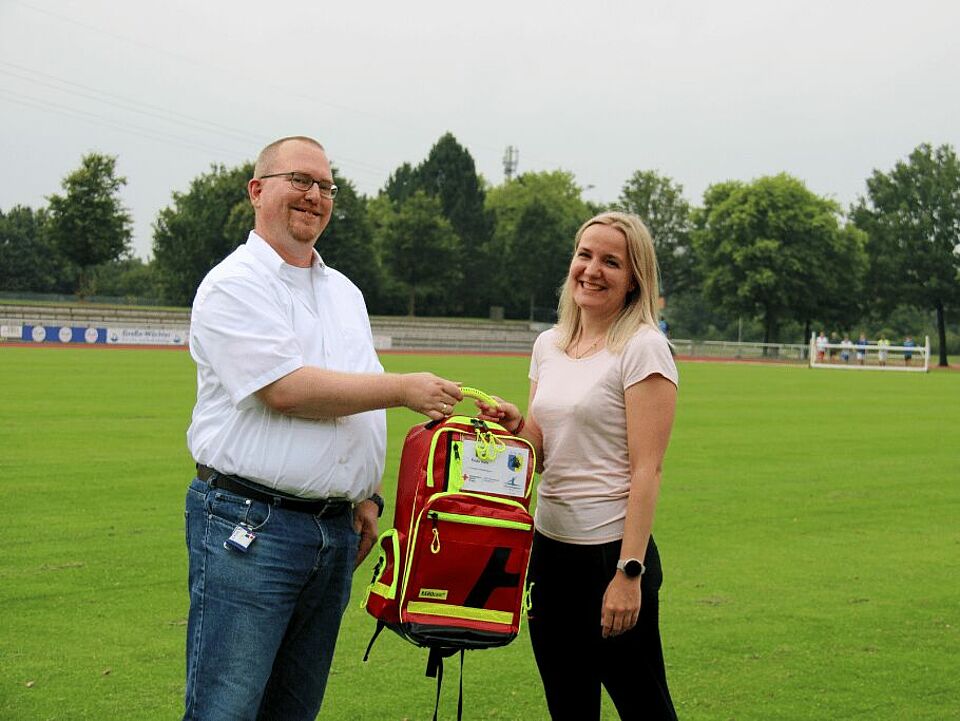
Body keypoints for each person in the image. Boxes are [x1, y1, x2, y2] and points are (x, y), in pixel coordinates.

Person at [183, 136, 462, 721]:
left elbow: (359, 396)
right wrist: (405, 388)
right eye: (300, 181)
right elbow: (285, 390)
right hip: (251, 525)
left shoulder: (344, 293)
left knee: (295, 709)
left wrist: (367, 495)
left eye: (326, 187)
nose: (315, 196)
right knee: (226, 708)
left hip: (333, 532)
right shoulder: (234, 283)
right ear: (258, 191)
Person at [478, 211, 679, 720]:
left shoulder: (644, 348)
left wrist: (628, 573)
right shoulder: (549, 345)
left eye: (612, 261)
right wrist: (517, 424)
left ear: (634, 278)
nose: (592, 270)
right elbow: (545, 456)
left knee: (645, 708)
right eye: (585, 255)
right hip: (548, 554)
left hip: (610, 555)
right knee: (567, 706)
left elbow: (646, 471)